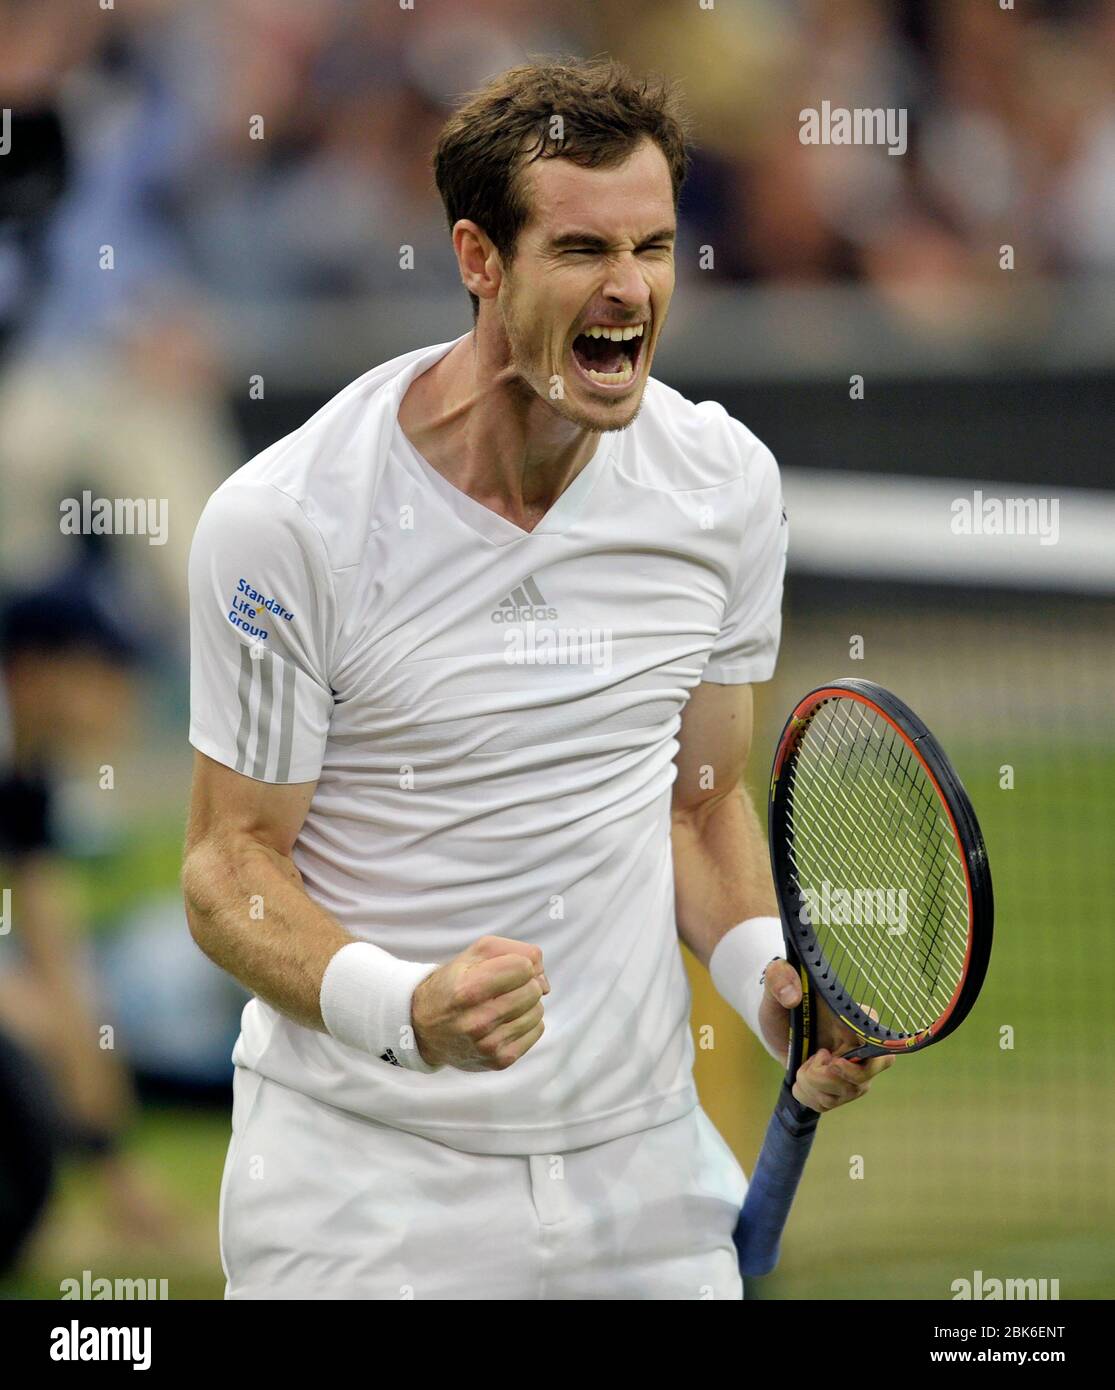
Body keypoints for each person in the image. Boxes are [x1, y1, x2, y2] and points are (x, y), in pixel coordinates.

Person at [183, 57, 892, 1302]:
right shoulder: (288, 521)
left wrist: (770, 989)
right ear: (478, 258)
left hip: (641, 1177)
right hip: (361, 1190)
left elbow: (695, 802)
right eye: (580, 248)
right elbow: (228, 864)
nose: (628, 288)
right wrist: (407, 1008)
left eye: (655, 245)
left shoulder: (722, 487)